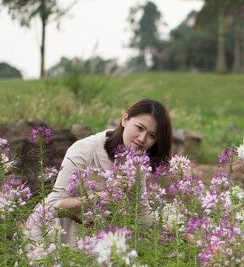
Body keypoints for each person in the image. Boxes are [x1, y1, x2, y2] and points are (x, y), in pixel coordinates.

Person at [24, 98, 173, 247]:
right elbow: (53, 208)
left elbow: (141, 216)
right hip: (50, 237)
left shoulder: (137, 164)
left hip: (93, 243)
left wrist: (181, 233)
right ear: (125, 120)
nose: (142, 139)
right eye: (139, 128)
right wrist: (103, 196)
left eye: (152, 136)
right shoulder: (83, 149)